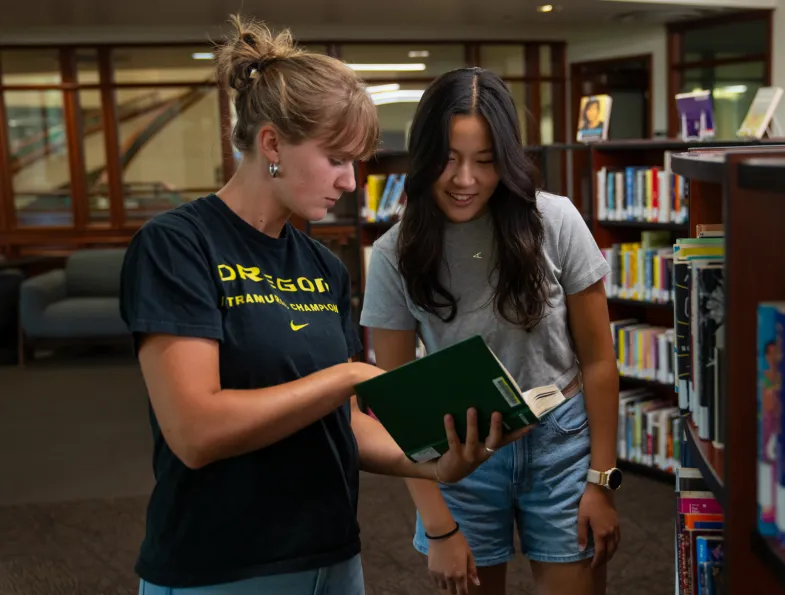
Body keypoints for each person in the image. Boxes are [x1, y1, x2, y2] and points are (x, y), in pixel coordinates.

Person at [119, 18, 526, 595]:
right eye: (337, 159)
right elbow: (194, 429)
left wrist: (437, 461)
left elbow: (339, 427)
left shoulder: (323, 266)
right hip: (220, 564)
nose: (351, 181)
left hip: (333, 557)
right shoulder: (177, 246)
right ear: (272, 145)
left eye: (356, 161)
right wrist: (348, 376)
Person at [360, 67, 623, 595]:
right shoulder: (395, 251)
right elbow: (396, 401)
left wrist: (602, 480)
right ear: (424, 157)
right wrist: (439, 526)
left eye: (485, 161)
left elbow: (598, 360)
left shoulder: (557, 221)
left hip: (561, 442)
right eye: (448, 160)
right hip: (460, 451)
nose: (465, 180)